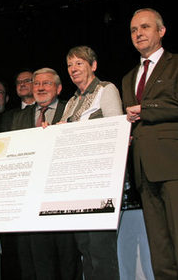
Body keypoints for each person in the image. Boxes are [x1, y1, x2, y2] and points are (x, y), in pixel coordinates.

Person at [122, 8, 178, 279]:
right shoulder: (128, 78)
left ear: (161, 31)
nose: (139, 33)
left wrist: (146, 108)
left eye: (145, 27)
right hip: (144, 172)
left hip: (176, 166)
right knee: (160, 254)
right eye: (134, 30)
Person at [60, 45, 123, 279]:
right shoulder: (71, 102)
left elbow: (116, 132)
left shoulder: (106, 90)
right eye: (69, 65)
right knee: (85, 248)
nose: (73, 69)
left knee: (101, 251)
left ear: (93, 65)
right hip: (78, 185)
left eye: (79, 63)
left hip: (101, 182)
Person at [12, 68, 78, 280]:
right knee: (37, 265)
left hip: (62, 198)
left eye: (46, 83)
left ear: (58, 88)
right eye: (36, 83)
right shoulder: (19, 118)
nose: (40, 88)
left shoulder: (71, 111)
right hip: (30, 203)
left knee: (67, 262)